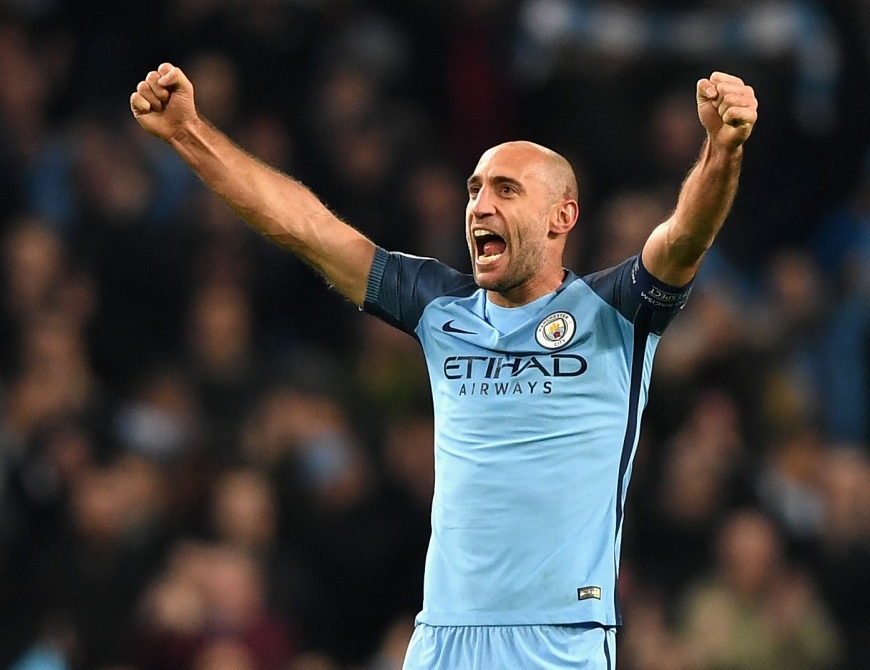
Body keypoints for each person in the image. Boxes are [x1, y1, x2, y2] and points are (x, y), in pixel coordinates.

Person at [130, 61, 757, 669]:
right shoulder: (441, 308)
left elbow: (685, 236)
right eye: (475, 190)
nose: (480, 205)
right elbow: (307, 228)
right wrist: (189, 133)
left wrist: (721, 151)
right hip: (443, 638)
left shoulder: (614, 313)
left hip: (558, 641)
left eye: (506, 190)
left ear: (562, 216)